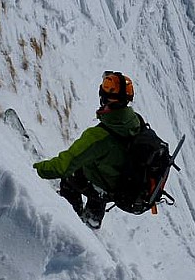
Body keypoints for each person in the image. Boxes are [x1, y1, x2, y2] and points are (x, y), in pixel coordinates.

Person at [32, 71, 142, 229]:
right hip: (120, 186)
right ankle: (93, 217)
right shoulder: (134, 121)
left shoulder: (99, 137)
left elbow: (63, 166)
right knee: (100, 171)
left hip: (104, 185)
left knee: (71, 175)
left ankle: (69, 218)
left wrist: (33, 170)